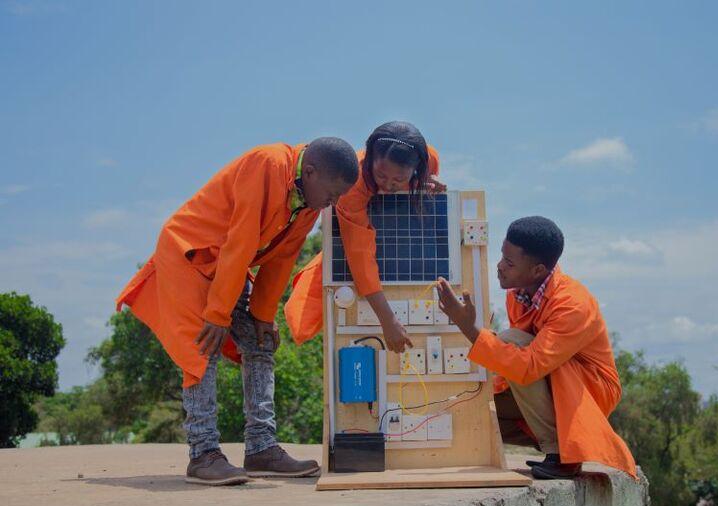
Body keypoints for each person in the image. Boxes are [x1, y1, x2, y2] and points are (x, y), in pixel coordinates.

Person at [115, 138, 359, 485]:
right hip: (190, 256)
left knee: (261, 342)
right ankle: (202, 455)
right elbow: (241, 239)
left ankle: (261, 447)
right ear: (311, 171)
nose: (332, 204)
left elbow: (281, 258)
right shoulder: (268, 164)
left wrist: (262, 315)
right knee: (202, 347)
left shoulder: (309, 204)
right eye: (332, 194)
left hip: (228, 266)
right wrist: (217, 314)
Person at [435, 216, 637, 479]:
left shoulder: (572, 304)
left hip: (588, 391)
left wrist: (469, 329)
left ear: (538, 271)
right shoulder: (517, 293)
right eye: (501, 257)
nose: (499, 267)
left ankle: (563, 455)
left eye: (509, 263)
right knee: (476, 410)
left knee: (509, 340)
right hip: (547, 383)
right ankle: (550, 442)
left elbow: (528, 365)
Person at [284, 121, 445, 352]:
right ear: (369, 159)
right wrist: (388, 320)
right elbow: (359, 254)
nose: (388, 184)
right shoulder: (353, 185)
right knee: (303, 318)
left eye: (398, 179)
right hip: (351, 237)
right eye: (380, 175)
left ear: (417, 169)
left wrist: (417, 186)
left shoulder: (428, 159)